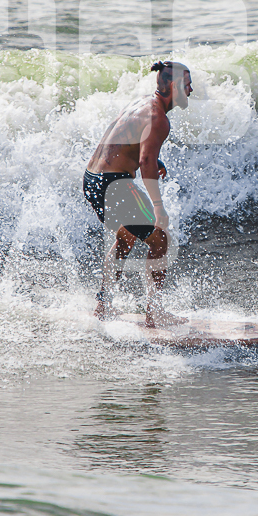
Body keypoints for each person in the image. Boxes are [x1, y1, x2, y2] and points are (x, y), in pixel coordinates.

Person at [83, 60, 192, 327]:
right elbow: (145, 161)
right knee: (160, 240)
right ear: (174, 87)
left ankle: (102, 306)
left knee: (127, 237)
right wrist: (158, 206)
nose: (191, 91)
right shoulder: (159, 119)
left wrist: (154, 160)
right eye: (188, 85)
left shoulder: (142, 104)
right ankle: (154, 312)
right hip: (114, 184)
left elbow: (126, 143)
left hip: (92, 179)